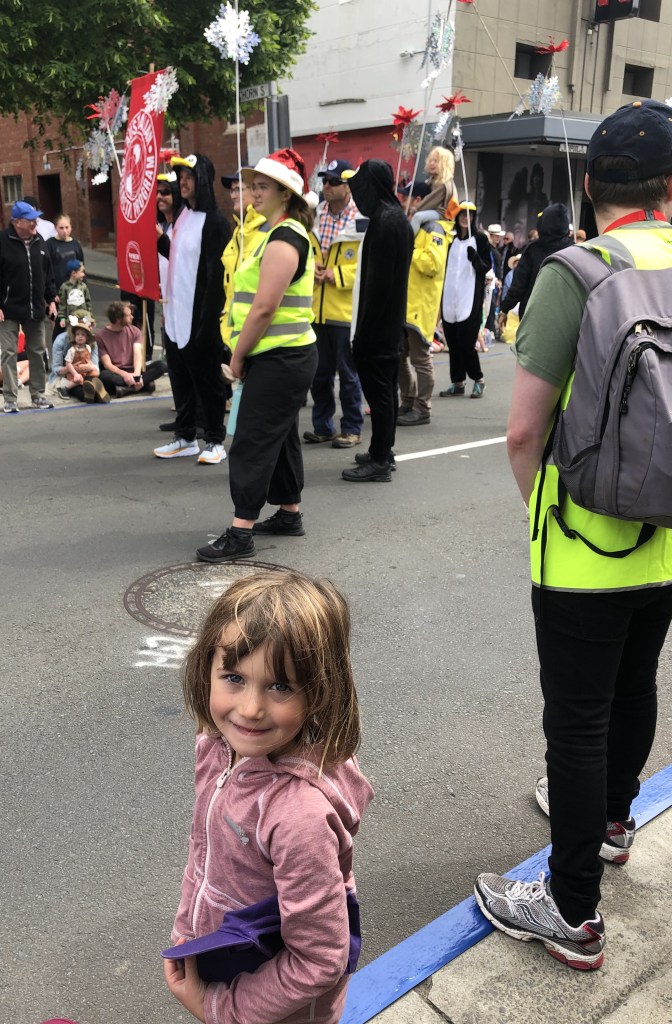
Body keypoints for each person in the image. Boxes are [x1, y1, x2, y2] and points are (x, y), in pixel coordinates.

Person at [474, 99, 672, 971]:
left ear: (591, 185)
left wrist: (542, 514)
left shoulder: (578, 272)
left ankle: (571, 910)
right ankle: (616, 822)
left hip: (585, 544)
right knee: (636, 685)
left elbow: (524, 432)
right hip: (669, 538)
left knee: (579, 720)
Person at [164, 570, 373, 1024]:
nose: (250, 709)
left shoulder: (298, 818)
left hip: (277, 1009)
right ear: (206, 670)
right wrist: (189, 933)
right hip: (225, 961)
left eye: (280, 686)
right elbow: (203, 853)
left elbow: (319, 959)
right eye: (233, 677)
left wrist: (221, 1009)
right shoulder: (217, 748)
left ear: (320, 691)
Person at [196, 149, 318, 563]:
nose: (254, 192)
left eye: (263, 186)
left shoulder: (284, 238)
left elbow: (264, 308)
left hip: (280, 357)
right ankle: (289, 513)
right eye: (254, 186)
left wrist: (237, 358)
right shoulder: (276, 233)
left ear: (286, 194)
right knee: (280, 437)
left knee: (252, 440)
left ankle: (240, 532)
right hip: (284, 355)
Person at [154, 153, 231, 465]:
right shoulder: (182, 216)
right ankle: (186, 436)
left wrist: (208, 322)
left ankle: (214, 439)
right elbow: (177, 257)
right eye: (181, 177)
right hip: (175, 314)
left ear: (202, 179)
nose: (183, 183)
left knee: (208, 381)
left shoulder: (215, 222)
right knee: (180, 378)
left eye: (188, 177)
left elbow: (216, 278)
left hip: (200, 317)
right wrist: (156, 238)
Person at [341, 160, 414, 483]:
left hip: (379, 328)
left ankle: (381, 458)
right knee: (386, 392)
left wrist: (364, 333)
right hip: (389, 324)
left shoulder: (386, 221)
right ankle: (383, 449)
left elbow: (379, 285)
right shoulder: (395, 218)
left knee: (380, 394)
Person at [304, 158, 364, 449]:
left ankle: (351, 428)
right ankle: (323, 426)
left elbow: (366, 267)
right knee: (319, 374)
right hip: (316, 310)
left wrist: (336, 274)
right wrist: (311, 268)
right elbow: (304, 254)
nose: (326, 186)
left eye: (333, 181)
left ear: (347, 186)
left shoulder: (361, 221)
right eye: (324, 180)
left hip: (344, 312)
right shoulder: (315, 217)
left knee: (349, 376)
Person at [396, 180, 449, 426]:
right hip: (404, 304)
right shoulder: (414, 225)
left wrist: (408, 250)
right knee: (399, 356)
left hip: (420, 305)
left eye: (406, 196)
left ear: (418, 200)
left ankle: (422, 407)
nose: (402, 200)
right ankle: (407, 400)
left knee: (420, 359)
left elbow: (433, 264)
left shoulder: (433, 228)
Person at [0, 200, 57, 413]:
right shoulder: (2, 241)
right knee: (9, 353)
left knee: (37, 352)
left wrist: (51, 299)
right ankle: (10, 399)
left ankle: (38, 395)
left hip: (35, 308)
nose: (35, 223)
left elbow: (47, 274)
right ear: (17, 222)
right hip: (8, 308)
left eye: (36, 219)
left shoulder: (39, 241)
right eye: (30, 219)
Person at [439, 201, 491, 399]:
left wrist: (475, 258)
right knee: (452, 342)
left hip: (469, 297)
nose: (465, 218)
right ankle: (457, 382)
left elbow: (486, 267)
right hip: (449, 296)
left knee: (466, 342)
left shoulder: (480, 239)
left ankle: (478, 379)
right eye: (462, 214)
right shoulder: (450, 238)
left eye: (470, 214)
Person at [498, 203, 572, 329]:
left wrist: (504, 309)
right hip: (565, 319)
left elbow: (519, 285)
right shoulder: (574, 250)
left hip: (533, 317)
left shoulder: (533, 250)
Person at [219, 166, 269, 353]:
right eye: (232, 190)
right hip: (234, 334)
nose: (233, 195)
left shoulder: (268, 230)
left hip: (259, 336)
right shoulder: (238, 232)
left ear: (255, 192)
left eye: (239, 189)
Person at [96, 300, 167, 398]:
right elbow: (107, 364)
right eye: (128, 315)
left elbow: (138, 354)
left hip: (135, 369)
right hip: (117, 372)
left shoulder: (135, 331)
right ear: (118, 318)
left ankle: (126, 389)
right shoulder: (100, 336)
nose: (132, 317)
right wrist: (124, 375)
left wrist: (136, 375)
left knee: (162, 365)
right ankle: (144, 384)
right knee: (103, 375)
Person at [58, 315, 109, 403]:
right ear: (74, 337)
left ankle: (93, 389)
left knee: (94, 374)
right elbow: (68, 363)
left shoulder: (88, 348)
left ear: (87, 338)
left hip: (86, 372)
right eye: (78, 334)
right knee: (79, 379)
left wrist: (91, 366)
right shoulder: (72, 350)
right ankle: (65, 388)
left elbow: (89, 359)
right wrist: (75, 374)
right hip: (75, 373)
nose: (80, 337)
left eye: (83, 335)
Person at [46, 214, 85, 290]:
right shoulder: (49, 244)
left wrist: (83, 286)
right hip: (58, 288)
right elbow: (46, 269)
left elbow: (81, 266)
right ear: (55, 228)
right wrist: (51, 291)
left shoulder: (76, 244)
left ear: (71, 227)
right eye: (61, 228)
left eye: (67, 227)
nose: (65, 231)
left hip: (75, 288)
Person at [57, 259, 92, 331]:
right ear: (73, 273)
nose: (84, 274)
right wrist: (62, 318)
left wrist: (89, 318)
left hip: (84, 318)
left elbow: (88, 303)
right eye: (82, 271)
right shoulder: (65, 287)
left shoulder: (83, 286)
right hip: (71, 319)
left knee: (83, 334)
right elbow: (62, 305)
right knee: (72, 335)